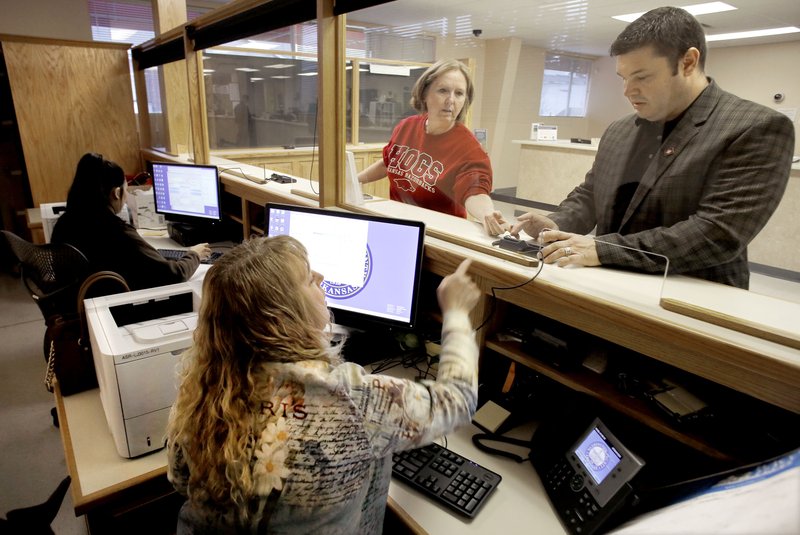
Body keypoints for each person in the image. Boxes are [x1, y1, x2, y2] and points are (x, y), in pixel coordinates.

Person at [166, 236, 480, 533]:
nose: (320, 275)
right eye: (306, 279)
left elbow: (180, 479)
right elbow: (459, 399)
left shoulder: (201, 386)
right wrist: (456, 312)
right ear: (283, 316)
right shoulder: (348, 399)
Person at [509, 7, 794, 289]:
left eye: (642, 77)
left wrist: (603, 249)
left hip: (690, 298)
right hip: (604, 286)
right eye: (624, 78)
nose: (628, 90)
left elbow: (716, 233)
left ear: (688, 62)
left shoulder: (753, 127)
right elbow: (592, 194)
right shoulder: (620, 129)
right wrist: (556, 222)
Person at [358, 59, 510, 236]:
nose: (450, 100)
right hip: (400, 224)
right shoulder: (406, 127)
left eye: (459, 93)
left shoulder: (470, 149)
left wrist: (487, 215)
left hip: (438, 235)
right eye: (443, 90)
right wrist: (354, 180)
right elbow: (387, 163)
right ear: (424, 93)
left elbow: (474, 192)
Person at [51, 153, 211, 291]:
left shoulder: (64, 224)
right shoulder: (116, 232)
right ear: (116, 193)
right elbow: (174, 275)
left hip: (79, 304)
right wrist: (194, 254)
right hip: (116, 310)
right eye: (126, 190)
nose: (126, 197)